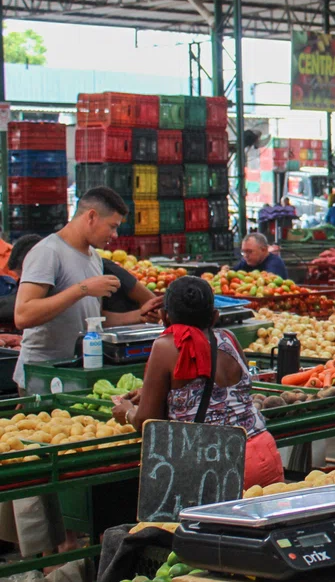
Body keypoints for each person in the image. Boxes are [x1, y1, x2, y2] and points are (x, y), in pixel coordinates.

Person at [111, 277, 283, 489]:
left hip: (215, 465)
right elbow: (214, 389)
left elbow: (148, 422)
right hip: (262, 450)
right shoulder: (229, 338)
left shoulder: (165, 346)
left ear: (164, 317)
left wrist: (128, 411)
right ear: (215, 317)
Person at [14, 188, 162, 391]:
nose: (114, 235)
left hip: (77, 372)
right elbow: (23, 315)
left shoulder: (94, 257)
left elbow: (93, 319)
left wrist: (138, 316)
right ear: (91, 216)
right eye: (112, 226)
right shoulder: (47, 252)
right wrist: (82, 289)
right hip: (43, 376)